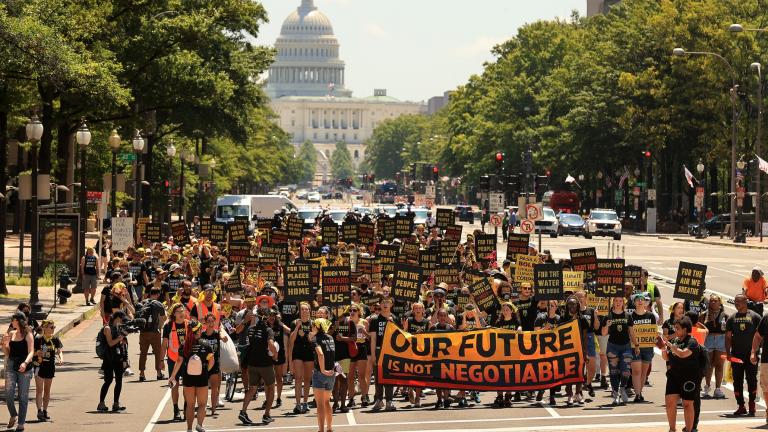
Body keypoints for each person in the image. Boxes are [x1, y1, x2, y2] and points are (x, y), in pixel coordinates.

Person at [169, 320, 214, 432]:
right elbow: (211, 362)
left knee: (190, 404)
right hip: (202, 377)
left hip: (188, 377)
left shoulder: (184, 345)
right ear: (198, 330)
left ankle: (189, 429)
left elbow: (179, 361)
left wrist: (172, 376)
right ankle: (199, 425)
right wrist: (205, 371)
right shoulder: (206, 344)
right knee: (202, 404)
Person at [239, 307, 278, 425]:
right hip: (265, 364)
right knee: (271, 388)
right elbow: (271, 344)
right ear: (266, 318)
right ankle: (266, 415)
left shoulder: (251, 329)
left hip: (252, 364)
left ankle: (243, 412)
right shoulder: (268, 330)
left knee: (252, 389)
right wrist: (275, 355)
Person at [662, 316, 700, 432]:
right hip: (673, 375)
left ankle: (689, 430)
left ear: (685, 329)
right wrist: (663, 348)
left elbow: (683, 354)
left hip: (689, 377)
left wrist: (671, 347)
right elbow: (666, 357)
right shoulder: (675, 341)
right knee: (670, 403)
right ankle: (672, 429)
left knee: (688, 404)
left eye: (677, 328)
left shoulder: (692, 341)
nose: (675, 330)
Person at [726, 294, 761, 416]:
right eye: (735, 302)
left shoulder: (755, 317)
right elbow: (728, 337)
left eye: (738, 301)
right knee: (737, 381)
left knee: (752, 380)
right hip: (736, 355)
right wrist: (728, 353)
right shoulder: (731, 318)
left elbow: (760, 335)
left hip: (751, 355)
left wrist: (756, 351)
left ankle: (752, 405)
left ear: (746, 302)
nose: (736, 304)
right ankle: (741, 406)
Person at [3, 312, 34, 431]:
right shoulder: (11, 333)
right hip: (11, 365)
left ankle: (21, 423)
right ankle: (13, 414)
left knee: (23, 396)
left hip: (24, 367)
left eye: (13, 320)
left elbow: (31, 351)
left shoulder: (28, 334)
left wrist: (25, 363)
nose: (11, 322)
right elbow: (7, 352)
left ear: (18, 321)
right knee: (9, 394)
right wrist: (4, 343)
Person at [602, 296, 634, 406]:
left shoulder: (628, 316)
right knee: (613, 372)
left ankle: (622, 388)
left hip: (626, 346)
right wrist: (607, 325)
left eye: (620, 301)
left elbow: (631, 332)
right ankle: (615, 394)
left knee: (626, 371)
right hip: (612, 346)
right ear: (613, 302)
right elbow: (603, 333)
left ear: (623, 303)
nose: (618, 303)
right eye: (616, 301)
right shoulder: (608, 316)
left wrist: (637, 345)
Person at [369, 296, 398, 411]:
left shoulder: (395, 318)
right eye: (383, 302)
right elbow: (373, 339)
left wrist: (392, 324)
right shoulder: (375, 319)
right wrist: (373, 355)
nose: (385, 304)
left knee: (389, 376)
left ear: (391, 305)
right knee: (378, 377)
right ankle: (379, 400)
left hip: (391, 350)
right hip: (378, 349)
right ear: (380, 305)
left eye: (388, 302)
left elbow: (399, 337)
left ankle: (389, 401)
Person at [98, 311, 129, 413]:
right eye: (121, 319)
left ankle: (116, 403)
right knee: (108, 380)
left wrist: (125, 358)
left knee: (119, 381)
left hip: (118, 358)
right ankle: (101, 403)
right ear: (117, 318)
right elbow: (110, 343)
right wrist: (120, 337)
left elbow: (122, 345)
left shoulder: (118, 328)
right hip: (108, 358)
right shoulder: (107, 328)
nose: (122, 321)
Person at [162, 303, 189, 422]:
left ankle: (186, 408)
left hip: (187, 360)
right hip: (173, 360)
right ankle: (175, 409)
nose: (181, 313)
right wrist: (161, 360)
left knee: (187, 386)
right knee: (175, 385)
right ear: (174, 314)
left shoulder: (189, 324)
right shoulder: (168, 326)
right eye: (178, 311)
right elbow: (164, 344)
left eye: (182, 310)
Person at [33, 320, 63, 422]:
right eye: (51, 327)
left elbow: (59, 351)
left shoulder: (55, 339)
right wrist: (37, 353)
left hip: (50, 367)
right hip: (39, 366)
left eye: (54, 327)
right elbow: (31, 353)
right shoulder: (38, 339)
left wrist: (61, 358)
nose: (53, 329)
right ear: (45, 328)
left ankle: (45, 410)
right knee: (39, 389)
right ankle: (39, 411)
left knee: (47, 390)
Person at [289, 301, 315, 414]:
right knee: (298, 378)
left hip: (309, 353)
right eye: (302, 309)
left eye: (306, 309)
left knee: (307, 379)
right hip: (298, 353)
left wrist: (307, 336)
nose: (304, 311)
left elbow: (313, 340)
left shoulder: (313, 323)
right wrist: (297, 328)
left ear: (309, 311)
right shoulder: (294, 322)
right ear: (300, 311)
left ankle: (305, 403)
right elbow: (291, 341)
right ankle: (298, 404)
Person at [700, 294, 727, 399]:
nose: (713, 302)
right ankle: (707, 387)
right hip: (708, 339)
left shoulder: (724, 315)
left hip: (721, 340)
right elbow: (698, 326)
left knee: (719, 365)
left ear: (720, 303)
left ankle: (718, 389)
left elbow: (728, 331)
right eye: (711, 301)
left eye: (715, 301)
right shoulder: (704, 314)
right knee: (709, 364)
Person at [312, 318, 337, 432]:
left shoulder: (316, 339)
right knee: (327, 402)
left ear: (318, 327)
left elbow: (321, 354)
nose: (312, 328)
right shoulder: (330, 338)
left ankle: (321, 430)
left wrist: (322, 370)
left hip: (320, 373)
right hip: (331, 373)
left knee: (320, 404)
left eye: (313, 326)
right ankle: (330, 428)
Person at [200, 313, 227, 417]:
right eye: (209, 321)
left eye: (212, 321)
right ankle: (203, 406)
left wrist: (224, 338)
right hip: (204, 364)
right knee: (204, 387)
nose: (211, 323)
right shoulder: (202, 335)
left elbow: (223, 337)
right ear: (205, 323)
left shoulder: (217, 333)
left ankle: (213, 409)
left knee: (215, 388)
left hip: (215, 364)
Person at [629, 292, 654, 403]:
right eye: (637, 299)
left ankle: (639, 392)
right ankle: (637, 394)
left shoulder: (650, 316)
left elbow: (653, 331)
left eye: (642, 299)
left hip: (648, 348)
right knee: (636, 371)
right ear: (634, 302)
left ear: (645, 302)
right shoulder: (630, 316)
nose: (640, 301)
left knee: (644, 372)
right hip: (634, 347)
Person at [137, 288, 167, 382]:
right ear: (157, 294)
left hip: (143, 332)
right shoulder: (158, 304)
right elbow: (164, 317)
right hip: (154, 332)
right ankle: (158, 373)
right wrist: (160, 326)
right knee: (157, 353)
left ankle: (142, 374)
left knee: (143, 353)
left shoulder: (142, 303)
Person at [347, 304, 370, 408]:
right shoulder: (347, 321)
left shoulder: (364, 322)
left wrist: (364, 332)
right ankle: (351, 398)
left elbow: (369, 337)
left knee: (361, 375)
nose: (352, 312)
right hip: (350, 347)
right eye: (350, 310)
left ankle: (364, 397)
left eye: (354, 310)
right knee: (350, 376)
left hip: (361, 347)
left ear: (358, 311)